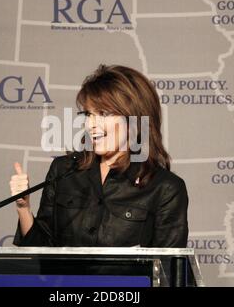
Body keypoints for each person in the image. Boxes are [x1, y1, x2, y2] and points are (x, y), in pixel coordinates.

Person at [11, 64, 189, 248]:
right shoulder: (63, 170)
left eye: (103, 113)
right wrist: (23, 208)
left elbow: (169, 271)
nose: (91, 125)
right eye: (89, 114)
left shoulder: (165, 188)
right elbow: (41, 254)